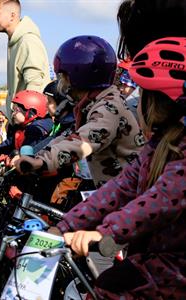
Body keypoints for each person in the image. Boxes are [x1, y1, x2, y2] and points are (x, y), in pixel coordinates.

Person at [58, 37, 186, 299]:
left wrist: (107, 232)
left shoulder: (182, 151)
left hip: (176, 266)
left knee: (111, 287)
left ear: (157, 101)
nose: (136, 103)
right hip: (155, 259)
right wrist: (65, 225)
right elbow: (119, 188)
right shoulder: (156, 147)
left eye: (141, 95)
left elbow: (161, 199)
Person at [16, 36, 144, 188]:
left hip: (128, 194)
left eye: (63, 77)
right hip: (112, 189)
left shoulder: (109, 108)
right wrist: (39, 156)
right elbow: (69, 136)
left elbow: (83, 140)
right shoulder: (91, 105)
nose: (61, 84)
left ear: (79, 76)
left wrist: (43, 161)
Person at [0, 0, 50, 118]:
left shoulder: (28, 41)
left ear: (12, 15)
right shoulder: (15, 42)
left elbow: (35, 82)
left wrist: (25, 115)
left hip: (30, 120)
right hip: (20, 120)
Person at [0, 90, 52, 166]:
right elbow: (7, 145)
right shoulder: (21, 128)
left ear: (30, 112)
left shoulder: (37, 131)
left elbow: (28, 155)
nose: (13, 114)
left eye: (16, 110)